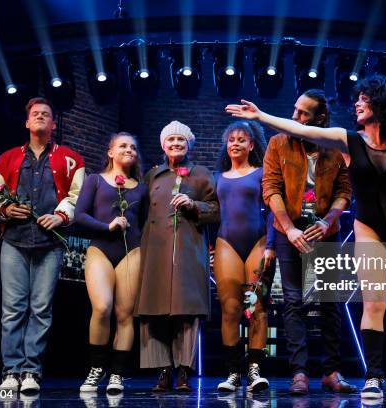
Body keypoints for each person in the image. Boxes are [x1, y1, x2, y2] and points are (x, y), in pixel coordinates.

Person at [226, 76, 386, 398]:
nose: (358, 104)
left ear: (381, 105)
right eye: (358, 99)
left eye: (365, 99)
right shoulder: (347, 139)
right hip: (369, 228)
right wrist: (261, 116)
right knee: (373, 302)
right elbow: (302, 131)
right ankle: (374, 377)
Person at [230, 89, 356, 395]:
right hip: (291, 229)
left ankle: (331, 371)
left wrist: (328, 221)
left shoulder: (336, 147)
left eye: (303, 114)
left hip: (327, 229)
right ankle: (299, 372)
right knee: (293, 300)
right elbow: (271, 189)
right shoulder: (278, 143)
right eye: (295, 110)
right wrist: (288, 229)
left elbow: (344, 190)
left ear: (320, 118)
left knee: (330, 301)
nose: (295, 117)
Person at [0, 97, 85, 393]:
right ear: (27, 122)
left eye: (47, 114)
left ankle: (31, 371)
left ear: (54, 124)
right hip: (15, 241)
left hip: (49, 243)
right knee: (12, 309)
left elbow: (77, 195)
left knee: (41, 308)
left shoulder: (71, 158)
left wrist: (60, 216)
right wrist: (4, 210)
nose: (41, 117)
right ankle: (11, 371)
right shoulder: (7, 158)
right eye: (36, 114)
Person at [137, 121, 219, 392]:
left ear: (189, 145)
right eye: (170, 140)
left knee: (186, 312)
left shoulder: (201, 174)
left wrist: (193, 204)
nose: (175, 144)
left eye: (180, 141)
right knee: (156, 310)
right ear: (163, 145)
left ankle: (183, 371)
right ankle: (163, 370)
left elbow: (216, 210)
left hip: (189, 249)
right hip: (156, 252)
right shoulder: (153, 176)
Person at [75, 132, 149, 393]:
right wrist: (107, 226)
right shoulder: (95, 180)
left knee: (125, 314)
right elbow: (79, 216)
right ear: (110, 152)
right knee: (103, 307)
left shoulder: (141, 187)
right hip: (101, 249)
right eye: (123, 146)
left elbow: (145, 222)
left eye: (133, 146)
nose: (129, 149)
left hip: (132, 251)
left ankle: (117, 373)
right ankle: (96, 368)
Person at [213, 120, 275, 393]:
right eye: (231, 140)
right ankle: (233, 372)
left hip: (258, 243)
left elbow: (274, 211)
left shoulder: (262, 173)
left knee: (257, 308)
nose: (235, 143)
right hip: (226, 243)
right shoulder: (217, 178)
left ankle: (254, 370)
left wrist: (272, 244)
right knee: (230, 308)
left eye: (241, 139)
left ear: (251, 145)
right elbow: (208, 214)